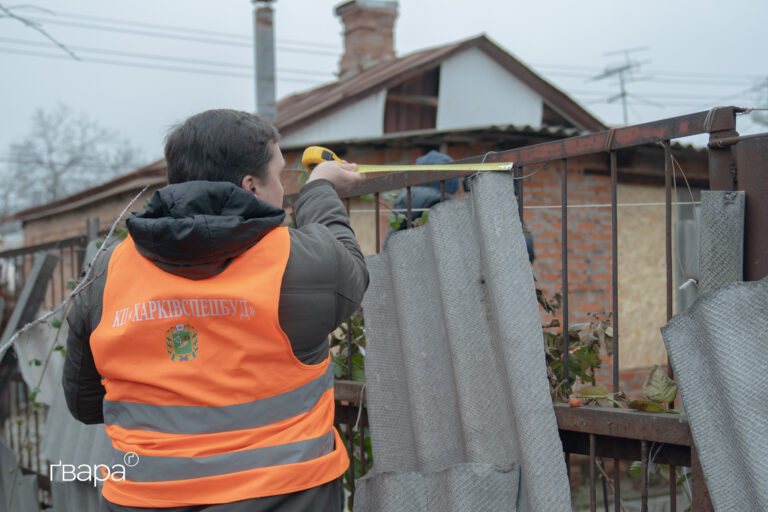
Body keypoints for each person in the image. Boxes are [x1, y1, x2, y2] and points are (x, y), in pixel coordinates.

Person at [62, 109, 368, 511]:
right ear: (251, 186)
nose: (282, 188)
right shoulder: (298, 259)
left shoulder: (107, 273)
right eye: (277, 176)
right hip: (288, 495)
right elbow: (351, 265)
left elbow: (86, 405)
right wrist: (320, 189)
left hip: (145, 498)